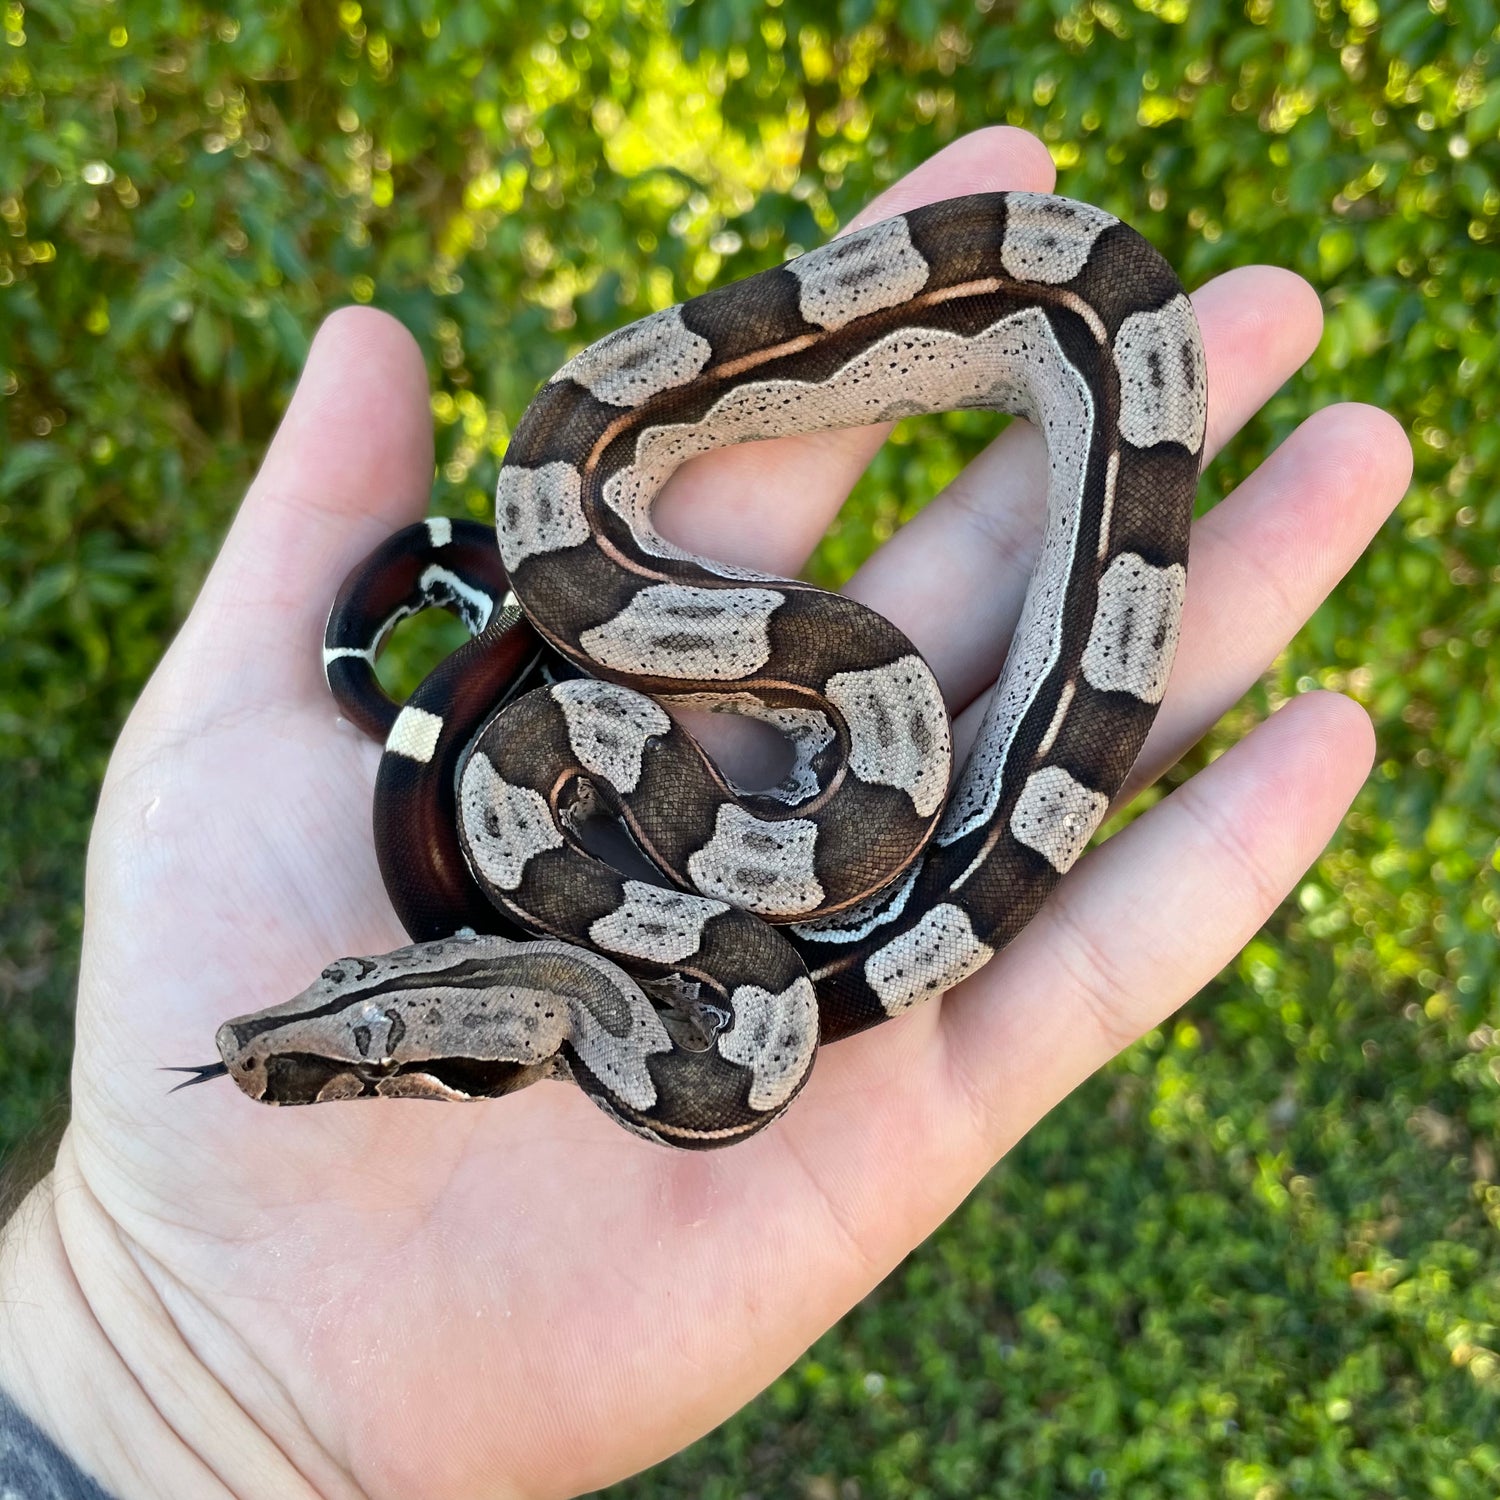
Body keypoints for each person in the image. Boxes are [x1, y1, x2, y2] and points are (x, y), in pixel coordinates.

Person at [0, 126, 1409, 1498]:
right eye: (374, 1047)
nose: (319, 1029)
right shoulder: (639, 944)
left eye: (361, 996)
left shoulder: (612, 907)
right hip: (788, 733)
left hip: (1088, 307)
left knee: (620, 533)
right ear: (520, 1056)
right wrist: (155, 1365)